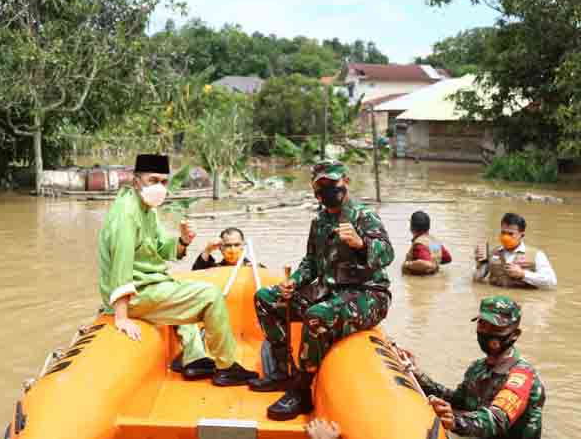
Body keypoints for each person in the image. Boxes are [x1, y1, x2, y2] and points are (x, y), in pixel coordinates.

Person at [249, 161, 395, 421]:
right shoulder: (320, 220)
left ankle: (302, 390)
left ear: (345, 182)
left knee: (317, 316)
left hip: (368, 294)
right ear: (315, 189)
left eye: (332, 184)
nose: (328, 190)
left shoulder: (364, 216)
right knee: (266, 299)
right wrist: (293, 281)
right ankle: (283, 371)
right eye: (322, 186)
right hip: (329, 290)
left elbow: (387, 254)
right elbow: (311, 262)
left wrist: (361, 245)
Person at [97, 154, 257, 386]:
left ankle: (194, 358)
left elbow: (161, 249)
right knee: (210, 297)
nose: (159, 187)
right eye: (153, 180)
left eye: (163, 182)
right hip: (136, 294)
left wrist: (183, 240)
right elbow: (120, 263)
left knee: (183, 289)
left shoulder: (146, 209)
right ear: (136, 181)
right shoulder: (126, 214)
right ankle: (227, 366)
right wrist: (121, 316)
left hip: (150, 283)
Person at [399, 296, 545, 439]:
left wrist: (456, 421)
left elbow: (498, 419)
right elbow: (457, 400)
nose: (487, 332)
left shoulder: (522, 375)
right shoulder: (477, 368)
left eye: (496, 328)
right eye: (482, 324)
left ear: (515, 334)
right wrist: (416, 374)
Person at [474, 213, 557, 288]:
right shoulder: (493, 253)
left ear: (522, 235)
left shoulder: (536, 255)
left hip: (522, 302)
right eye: (503, 232)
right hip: (497, 301)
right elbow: (476, 280)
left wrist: (523, 274)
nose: (505, 237)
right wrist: (480, 264)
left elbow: (551, 282)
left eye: (510, 234)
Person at [402, 210, 452, 275]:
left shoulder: (419, 245)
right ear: (428, 227)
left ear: (411, 228)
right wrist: (434, 263)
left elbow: (427, 264)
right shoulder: (433, 242)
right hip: (434, 279)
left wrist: (408, 264)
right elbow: (447, 258)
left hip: (420, 281)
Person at [192, 227, 264, 270]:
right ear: (221, 248)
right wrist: (207, 250)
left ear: (243, 246)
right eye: (228, 245)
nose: (232, 249)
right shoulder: (215, 269)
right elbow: (195, 274)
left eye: (236, 245)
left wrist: (258, 269)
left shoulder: (255, 269)